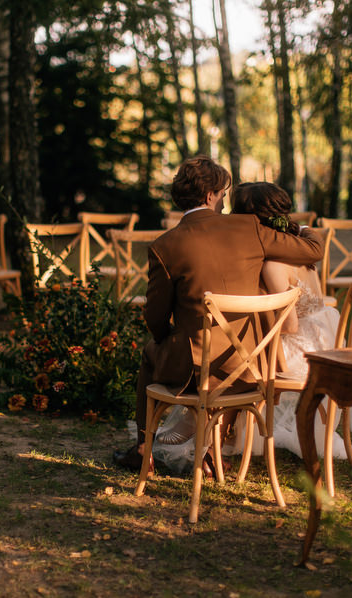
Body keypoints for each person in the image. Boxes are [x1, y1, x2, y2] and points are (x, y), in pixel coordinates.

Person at [113, 158, 325, 472]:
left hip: (196, 368)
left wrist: (170, 340)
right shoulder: (248, 228)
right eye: (223, 193)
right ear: (210, 195)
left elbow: (155, 318)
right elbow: (313, 250)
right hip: (252, 367)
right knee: (225, 353)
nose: (225, 200)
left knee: (150, 353)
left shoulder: (164, 245)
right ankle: (211, 450)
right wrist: (301, 227)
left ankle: (144, 448)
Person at [153, 181, 352, 472]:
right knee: (243, 355)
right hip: (325, 343)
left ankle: (201, 431)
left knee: (240, 357)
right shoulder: (298, 250)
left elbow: (289, 325)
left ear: (250, 219)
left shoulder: (272, 264)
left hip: (302, 351)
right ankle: (211, 438)